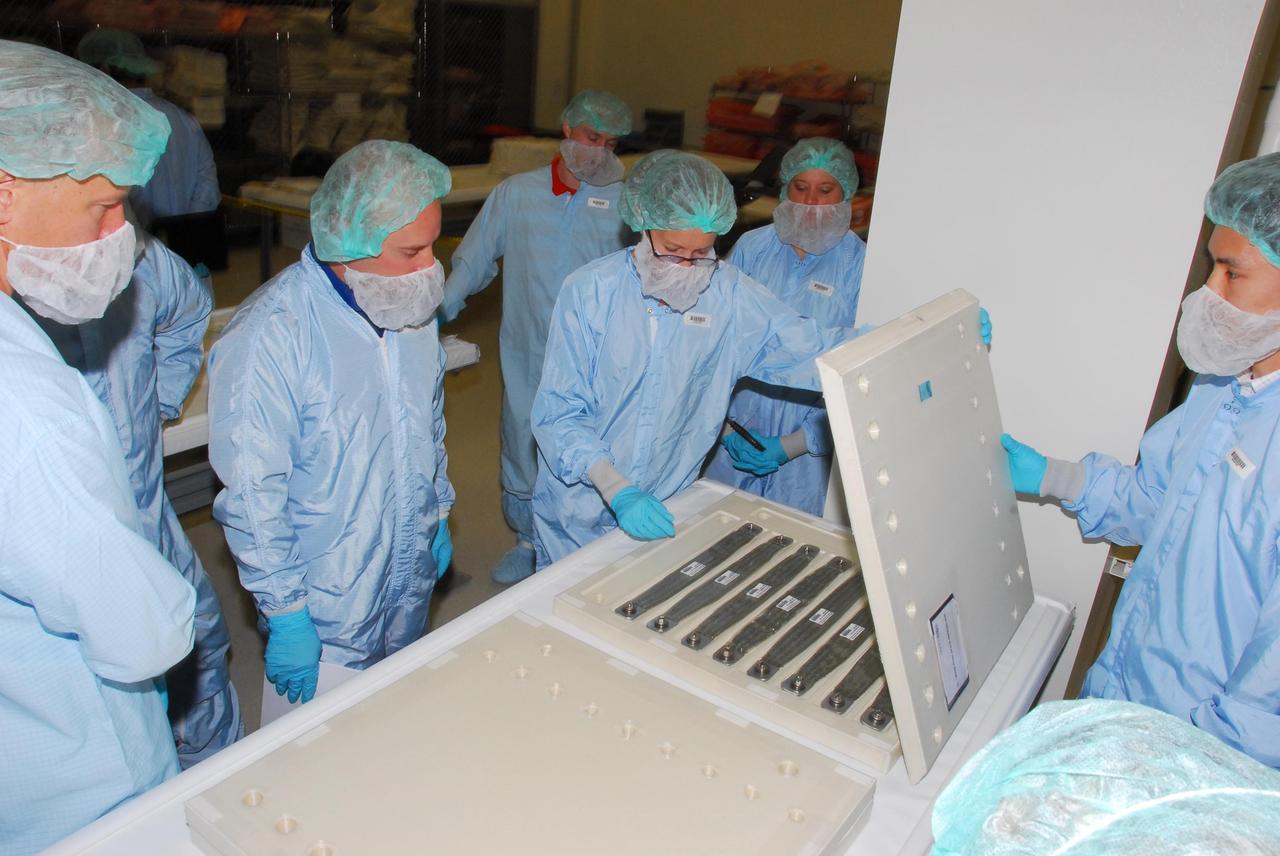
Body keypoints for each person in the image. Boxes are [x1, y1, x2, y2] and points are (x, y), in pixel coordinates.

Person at [1002, 153, 1280, 767]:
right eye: (1212, 266)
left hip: (1203, 751)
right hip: (1129, 691)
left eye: (1232, 273)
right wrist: (1050, 475)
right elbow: (1158, 502)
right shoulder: (1220, 391)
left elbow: (1271, 693)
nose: (1208, 293)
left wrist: (1202, 764)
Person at [0, 41, 196, 854]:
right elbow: (138, 627)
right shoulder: (24, 405)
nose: (119, 233)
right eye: (104, 207)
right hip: (75, 775)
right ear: (5, 192)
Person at [210, 140, 455, 705]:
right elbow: (253, 493)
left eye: (433, 246)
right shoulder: (272, 335)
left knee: (393, 708)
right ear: (351, 243)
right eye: (411, 251)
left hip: (406, 556)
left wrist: (438, 509)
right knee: (321, 739)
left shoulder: (407, 305)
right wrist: (286, 611)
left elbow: (428, 421)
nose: (429, 268)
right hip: (325, 589)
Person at [529, 150, 858, 568]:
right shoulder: (591, 292)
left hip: (668, 500)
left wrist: (902, 343)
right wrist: (615, 487)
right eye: (671, 249)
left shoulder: (728, 295)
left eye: (701, 251)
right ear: (643, 224)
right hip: (578, 504)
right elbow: (559, 412)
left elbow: (810, 348)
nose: (686, 266)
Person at [24, 222, 242, 768]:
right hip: (65, 558)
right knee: (110, 725)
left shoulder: (130, 255)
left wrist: (160, 398)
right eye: (100, 204)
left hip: (150, 515)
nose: (117, 224)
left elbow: (188, 309)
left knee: (200, 656)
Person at [441, 89, 634, 584]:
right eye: (592, 136)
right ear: (567, 129)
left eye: (611, 143)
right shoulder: (518, 194)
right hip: (529, 348)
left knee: (592, 440)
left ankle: (588, 538)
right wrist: (436, 311)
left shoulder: (624, 201)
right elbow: (475, 257)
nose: (600, 151)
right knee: (524, 437)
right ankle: (528, 540)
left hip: (598, 353)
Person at [703, 138, 867, 516]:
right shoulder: (752, 248)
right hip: (732, 439)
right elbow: (714, 343)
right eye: (800, 187)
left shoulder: (858, 266)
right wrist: (724, 430)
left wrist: (795, 444)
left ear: (846, 193)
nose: (810, 202)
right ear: (784, 188)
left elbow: (854, 368)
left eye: (825, 191)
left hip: (805, 463)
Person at [77, 28, 220, 226]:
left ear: (103, 70)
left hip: (132, 239)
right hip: (183, 236)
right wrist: (182, 229)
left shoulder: (100, 122)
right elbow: (207, 185)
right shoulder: (182, 119)